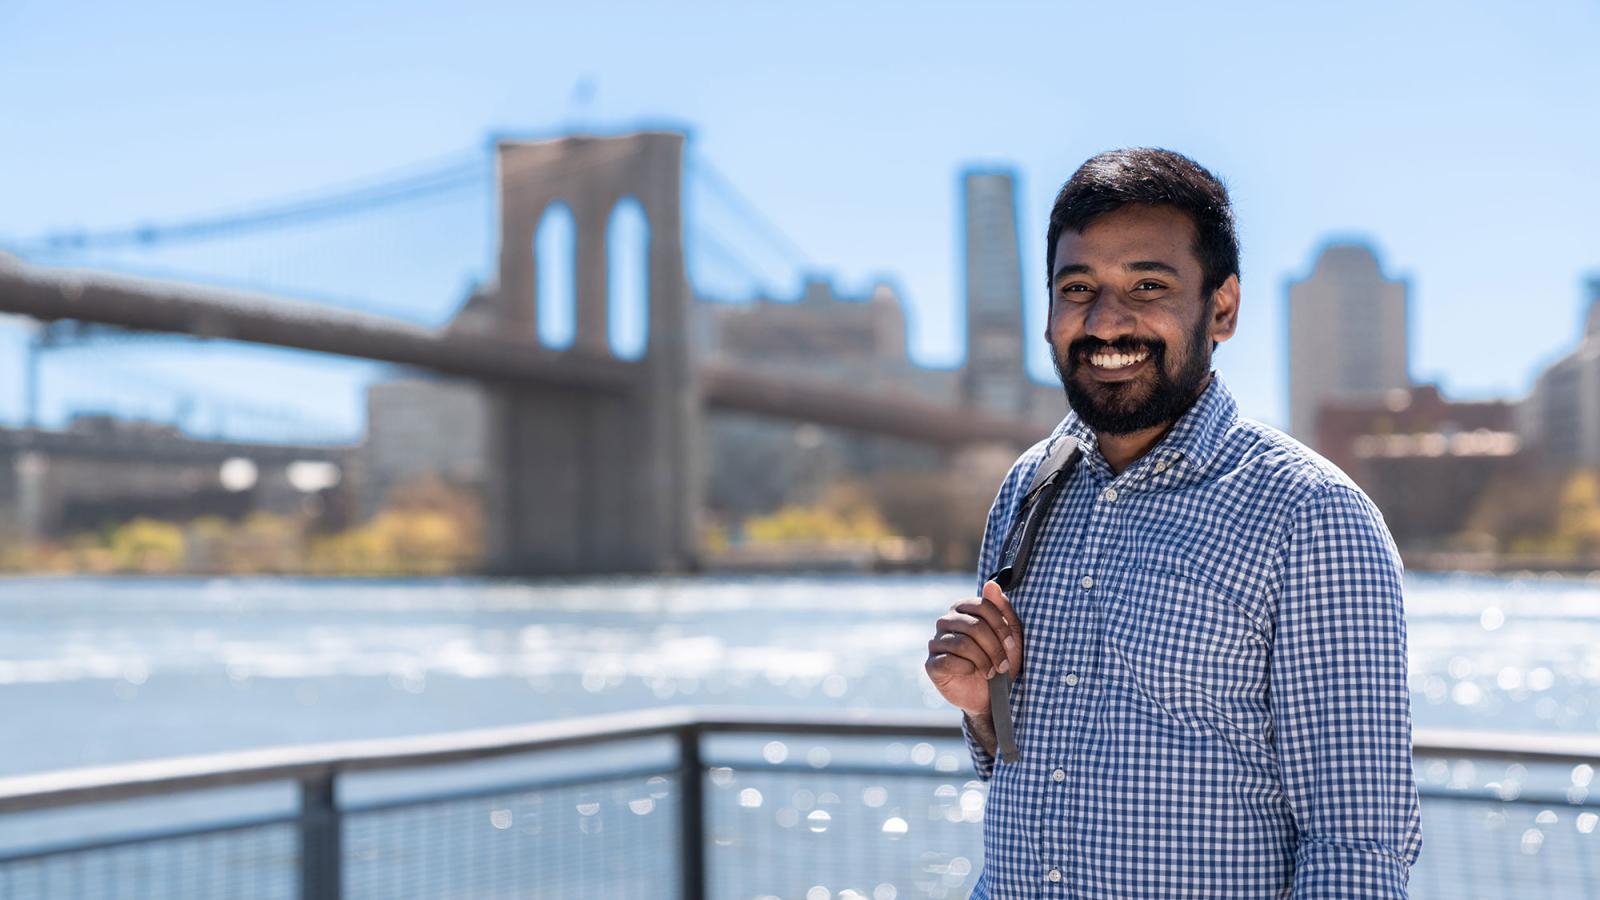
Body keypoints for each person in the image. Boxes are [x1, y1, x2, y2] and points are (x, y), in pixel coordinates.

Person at [924, 148, 1422, 898]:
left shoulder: (1311, 516)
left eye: (1147, 286)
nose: (1106, 321)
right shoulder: (1030, 487)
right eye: (1078, 288)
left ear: (1221, 308)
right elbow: (1025, 764)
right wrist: (982, 708)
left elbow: (1356, 847)